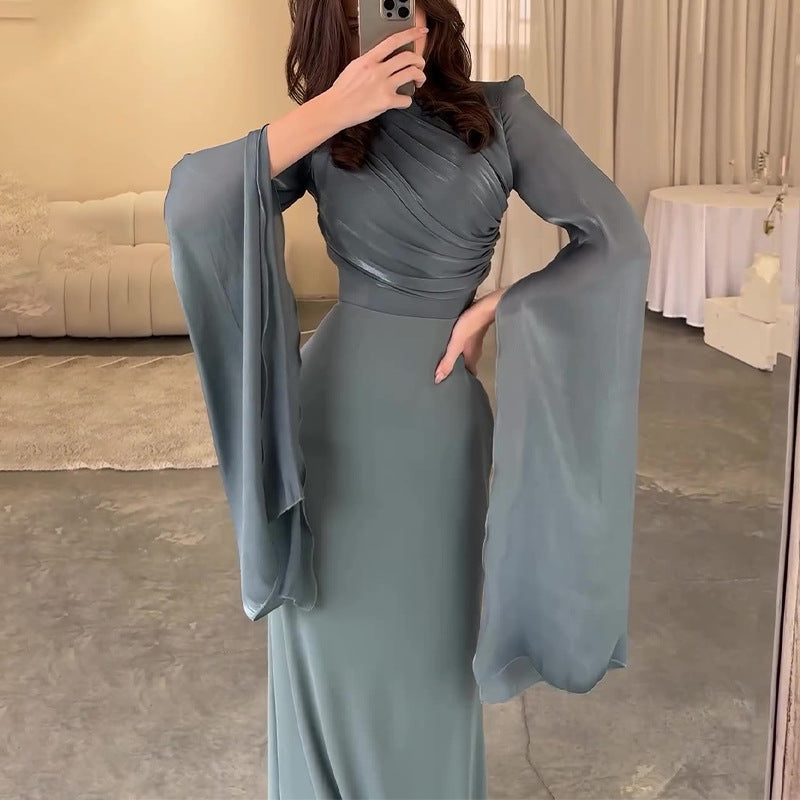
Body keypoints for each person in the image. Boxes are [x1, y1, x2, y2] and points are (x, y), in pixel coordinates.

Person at [163, 0, 652, 796]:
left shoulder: (501, 114)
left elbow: (617, 242)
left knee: (431, 657)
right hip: (333, 425)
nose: (401, 18)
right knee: (327, 645)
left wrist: (503, 306)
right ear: (340, 23)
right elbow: (193, 203)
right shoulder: (329, 127)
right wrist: (336, 107)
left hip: (436, 426)